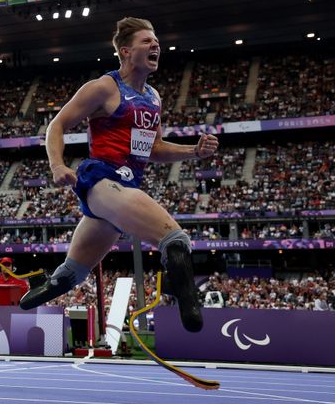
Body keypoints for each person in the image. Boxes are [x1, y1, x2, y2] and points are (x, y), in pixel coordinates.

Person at [20, 17, 218, 333]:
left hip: (121, 195)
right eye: (146, 41)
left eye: (156, 41)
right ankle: (184, 300)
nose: (156, 45)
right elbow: (57, 125)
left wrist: (194, 152)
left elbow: (154, 148)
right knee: (175, 240)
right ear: (125, 51)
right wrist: (57, 165)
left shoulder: (154, 98)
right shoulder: (104, 88)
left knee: (70, 275)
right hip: (101, 182)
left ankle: (31, 293)